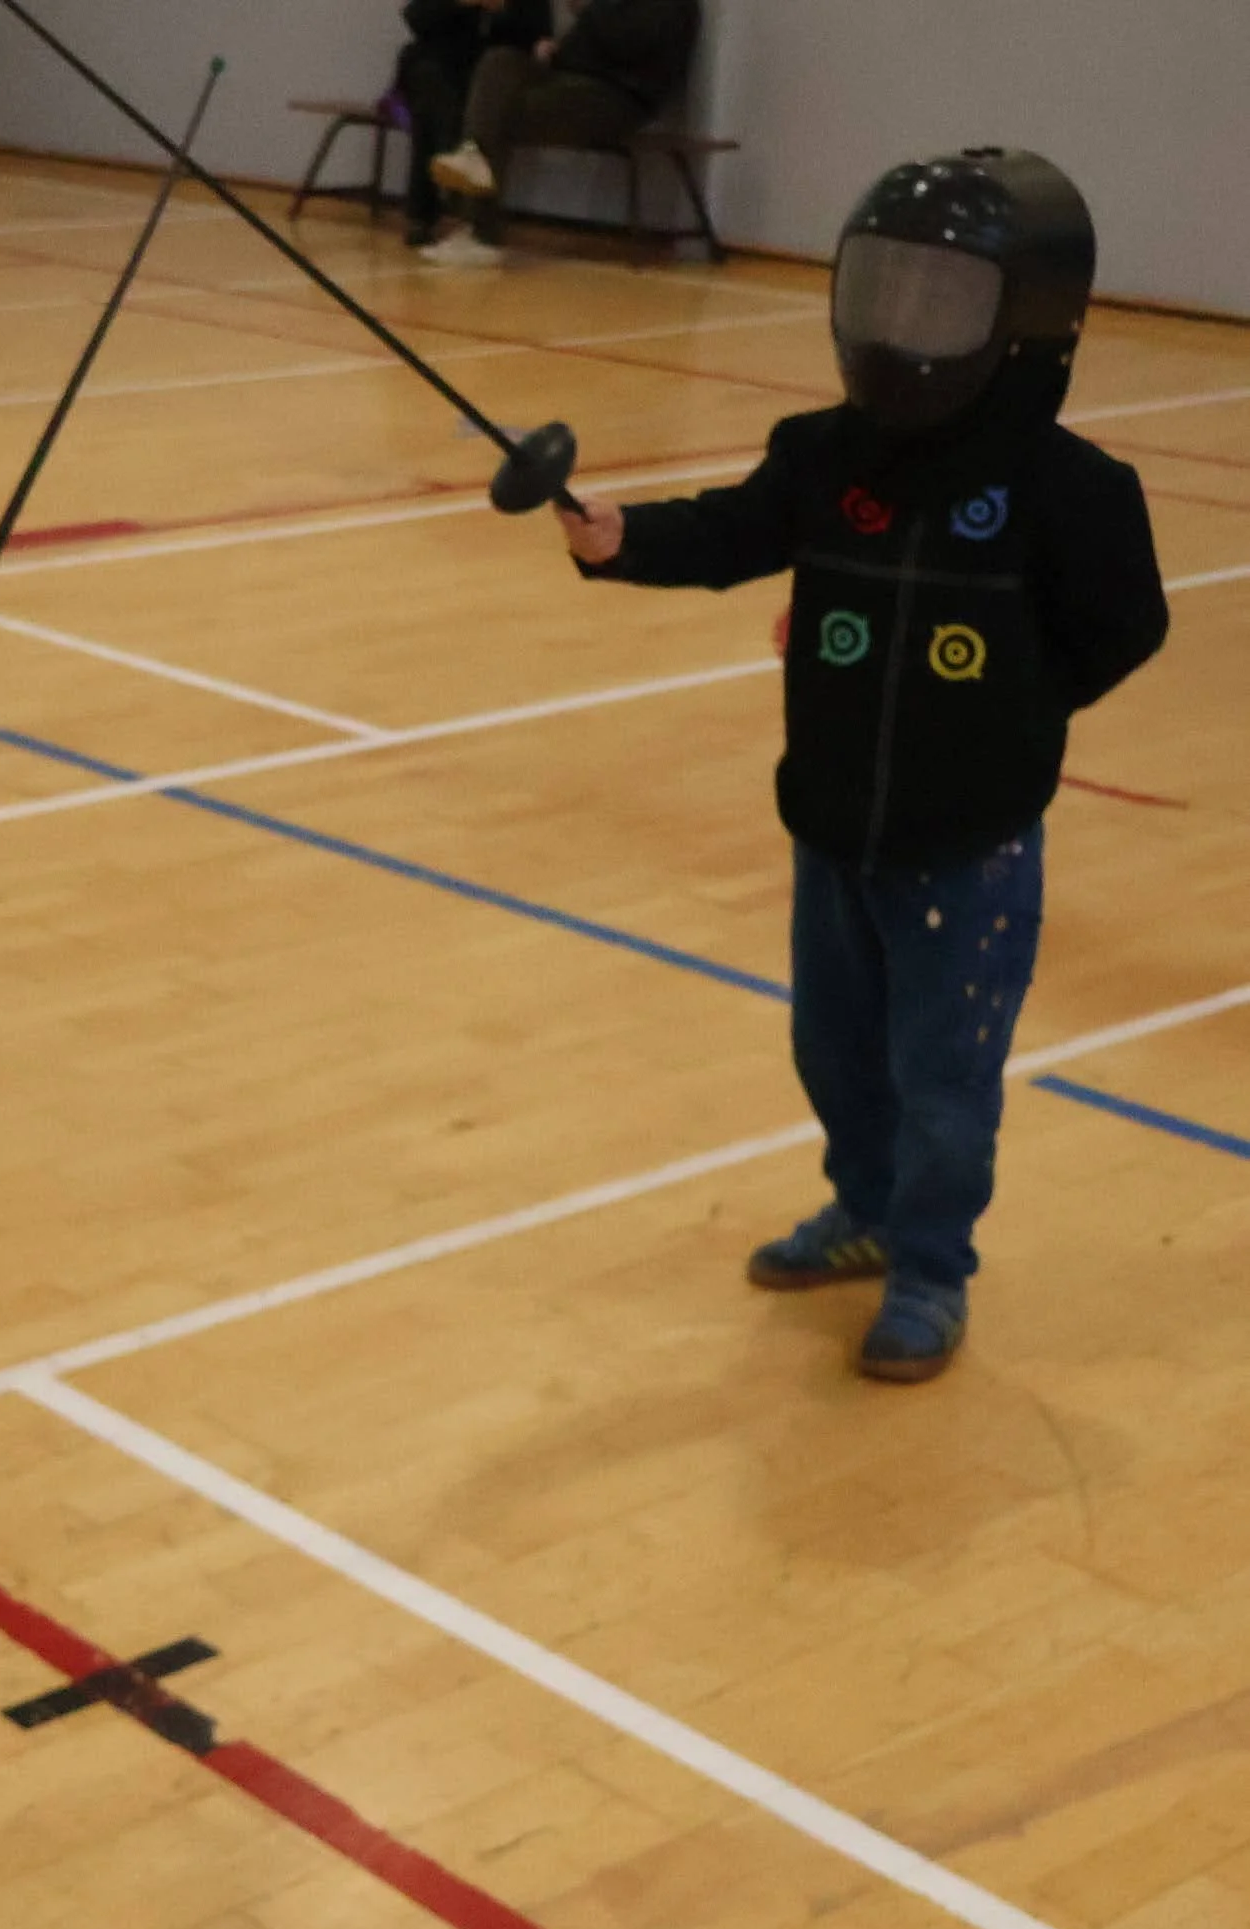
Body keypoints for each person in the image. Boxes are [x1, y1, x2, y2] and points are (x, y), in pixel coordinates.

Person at [555, 150, 1168, 1381]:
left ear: (1027, 323)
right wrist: (624, 540)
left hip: (970, 849)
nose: (904, 327)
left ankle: (932, 1269)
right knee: (835, 1051)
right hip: (831, 829)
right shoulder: (826, 453)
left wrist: (1017, 707)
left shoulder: (1070, 491)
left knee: (944, 1081)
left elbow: (1125, 626)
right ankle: (868, 1211)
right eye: (888, 291)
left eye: (942, 301)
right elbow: (734, 531)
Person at [424, 0, 702, 263]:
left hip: (618, 96)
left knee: (499, 111)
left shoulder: (673, 5)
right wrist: (553, 50)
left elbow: (627, 43)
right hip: (572, 77)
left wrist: (586, 8)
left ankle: (480, 231)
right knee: (499, 62)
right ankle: (473, 161)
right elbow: (590, 42)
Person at [393, 0, 552, 249]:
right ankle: (452, 193)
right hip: (439, 62)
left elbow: (536, 35)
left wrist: (501, 10)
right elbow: (418, 17)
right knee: (429, 79)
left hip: (488, 71)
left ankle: (425, 211)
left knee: (444, 100)